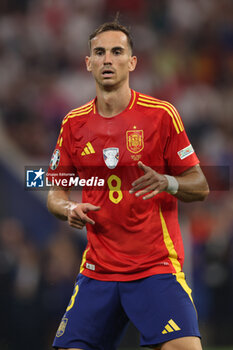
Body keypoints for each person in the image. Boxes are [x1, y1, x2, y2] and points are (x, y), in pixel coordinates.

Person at [47, 20, 209, 350]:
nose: (108, 59)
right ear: (88, 63)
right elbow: (55, 191)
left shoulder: (161, 115)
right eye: (100, 52)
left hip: (155, 267)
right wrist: (68, 208)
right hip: (98, 270)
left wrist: (166, 181)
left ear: (132, 62)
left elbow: (201, 185)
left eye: (117, 52)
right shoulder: (73, 124)